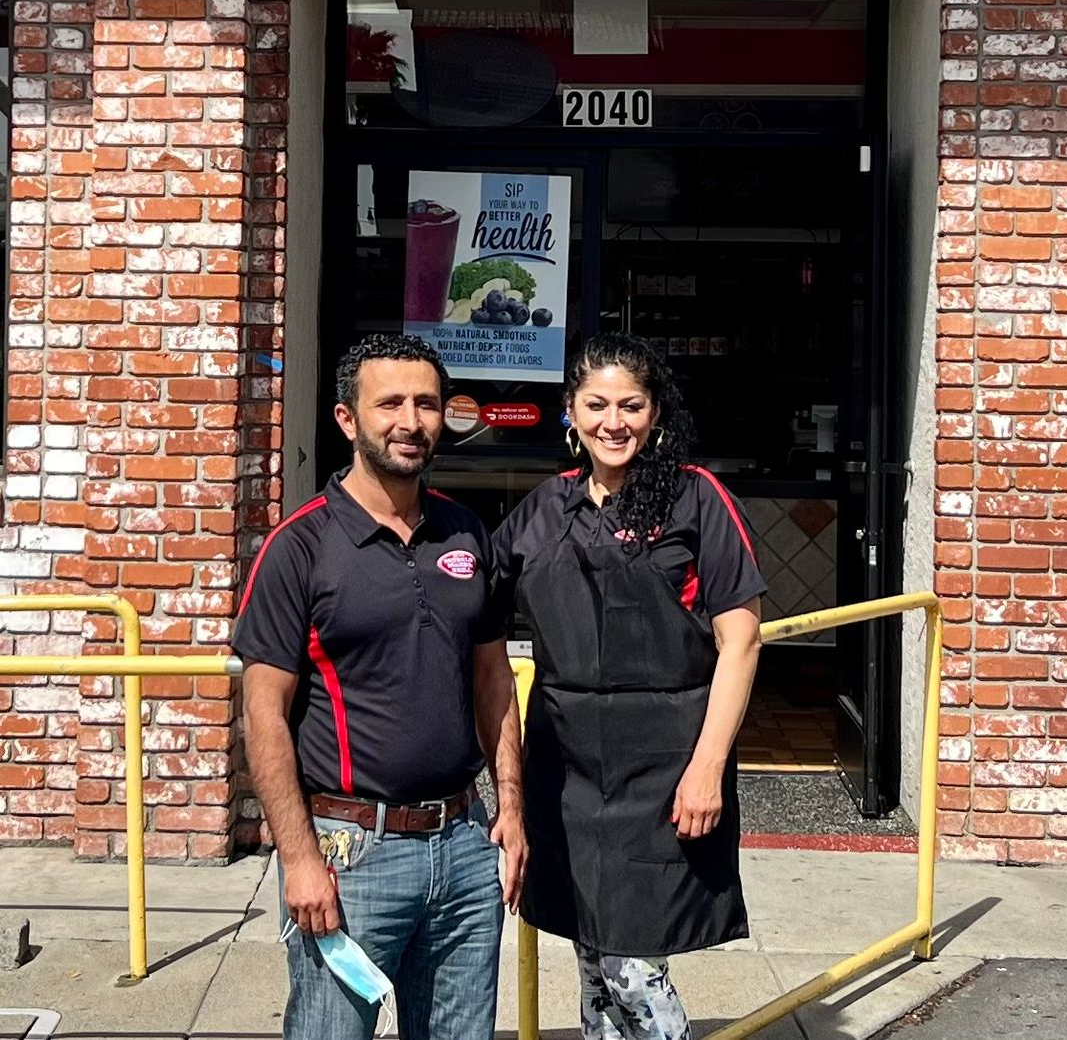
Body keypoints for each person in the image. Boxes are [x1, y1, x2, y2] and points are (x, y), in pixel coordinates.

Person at [234, 333, 526, 1040]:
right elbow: (263, 714)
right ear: (346, 419)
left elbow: (492, 678)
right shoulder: (298, 547)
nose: (410, 420)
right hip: (348, 852)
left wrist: (510, 811)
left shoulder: (464, 532)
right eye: (389, 402)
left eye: (426, 403)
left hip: (462, 844)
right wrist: (298, 858)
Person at [494, 332, 766, 1040]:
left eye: (630, 405)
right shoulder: (544, 508)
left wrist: (706, 769)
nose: (613, 422)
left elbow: (740, 642)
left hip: (666, 767)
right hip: (567, 768)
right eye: (596, 404)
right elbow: (470, 604)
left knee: (632, 967)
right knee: (590, 959)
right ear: (571, 412)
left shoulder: (696, 498)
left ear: (654, 414)